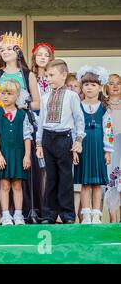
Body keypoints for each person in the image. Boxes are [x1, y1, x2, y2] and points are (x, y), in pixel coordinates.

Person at [36, 59, 85, 224]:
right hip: (48, 138)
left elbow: (79, 120)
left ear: (63, 75)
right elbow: (41, 121)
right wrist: (39, 144)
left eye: (51, 75)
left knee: (65, 177)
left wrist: (78, 140)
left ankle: (67, 214)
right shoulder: (44, 97)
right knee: (51, 177)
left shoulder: (72, 96)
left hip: (64, 138)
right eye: (47, 75)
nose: (48, 78)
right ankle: (49, 214)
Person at [0, 80, 33, 225]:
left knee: (17, 185)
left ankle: (19, 215)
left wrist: (27, 156)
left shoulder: (22, 114)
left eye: (9, 93)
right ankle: (6, 215)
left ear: (17, 95)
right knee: (4, 185)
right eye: (3, 93)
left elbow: (27, 136)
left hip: (19, 154)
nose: (5, 96)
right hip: (4, 153)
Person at [74, 66, 113, 224]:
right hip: (83, 146)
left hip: (97, 146)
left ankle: (96, 214)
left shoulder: (104, 108)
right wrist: (75, 149)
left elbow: (108, 130)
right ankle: (86, 215)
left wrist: (107, 151)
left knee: (97, 183)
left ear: (100, 87)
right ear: (82, 87)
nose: (90, 87)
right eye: (86, 84)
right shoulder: (77, 106)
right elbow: (74, 127)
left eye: (94, 84)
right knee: (85, 182)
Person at [65, 73, 83, 221]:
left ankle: (85, 214)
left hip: (84, 145)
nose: (72, 88)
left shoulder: (82, 104)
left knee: (84, 182)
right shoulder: (66, 103)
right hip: (69, 145)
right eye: (69, 86)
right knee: (72, 182)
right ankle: (72, 214)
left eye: (75, 86)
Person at [104, 73, 121, 223]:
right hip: (110, 148)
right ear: (106, 87)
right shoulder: (103, 105)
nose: (115, 86)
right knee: (111, 184)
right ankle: (113, 222)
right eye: (111, 83)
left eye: (118, 83)